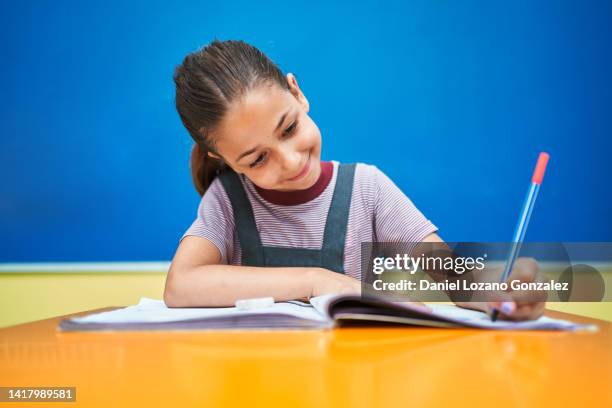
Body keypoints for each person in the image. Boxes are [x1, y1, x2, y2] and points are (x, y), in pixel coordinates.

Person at [164, 39, 544, 320]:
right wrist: (317, 280)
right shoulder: (227, 200)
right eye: (258, 158)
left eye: (289, 128)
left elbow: (450, 275)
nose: (291, 160)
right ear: (221, 157)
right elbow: (181, 286)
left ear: (297, 94)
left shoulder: (367, 189)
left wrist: (500, 287)